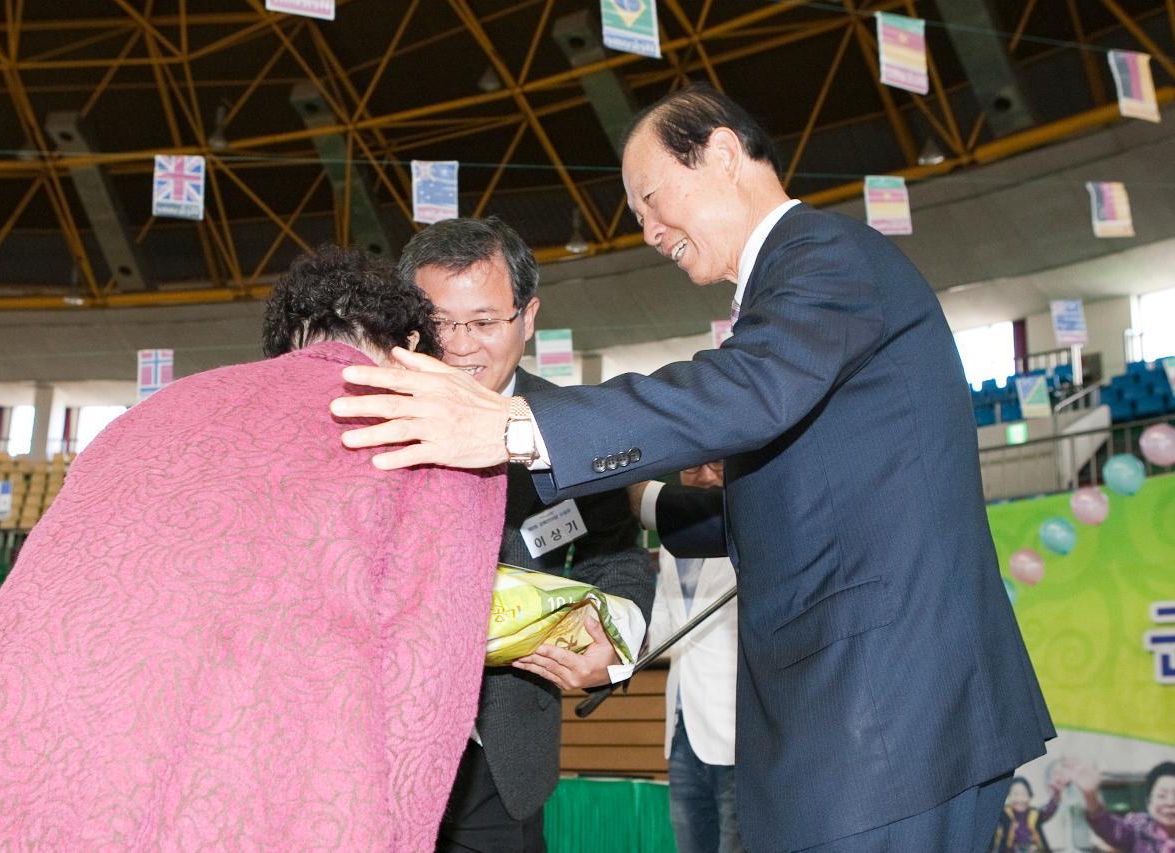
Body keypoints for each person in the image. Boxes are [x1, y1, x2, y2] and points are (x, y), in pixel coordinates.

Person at [331, 82, 1055, 852]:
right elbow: (787, 499)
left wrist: (514, 427)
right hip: (860, 716)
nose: (646, 231)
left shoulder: (824, 254)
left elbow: (746, 388)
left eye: (650, 199)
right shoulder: (791, 283)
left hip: (887, 710)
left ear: (718, 153)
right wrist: (642, 495)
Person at [0, 245, 506, 851]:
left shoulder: (144, 414)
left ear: (285, 339)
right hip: (265, 773)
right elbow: (424, 680)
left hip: (38, 752)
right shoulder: (430, 429)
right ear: (409, 343)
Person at [397, 216, 654, 853]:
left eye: (484, 323)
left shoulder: (575, 430)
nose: (459, 346)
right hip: (378, 753)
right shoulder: (365, 421)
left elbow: (619, 566)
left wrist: (611, 645)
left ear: (528, 316)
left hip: (503, 761)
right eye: (438, 324)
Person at [638, 462, 740, 853]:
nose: (705, 475)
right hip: (683, 733)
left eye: (717, 463)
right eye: (693, 466)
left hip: (737, 736)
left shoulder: (749, 529)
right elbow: (663, 623)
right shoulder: (671, 539)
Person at [1075, 759, 1175, 851]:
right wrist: (1090, 796)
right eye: (1162, 796)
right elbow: (1112, 829)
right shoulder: (1139, 832)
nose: (1171, 802)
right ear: (1149, 802)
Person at [990, 772, 1066, 852]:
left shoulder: (1034, 814)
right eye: (1015, 794)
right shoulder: (1003, 816)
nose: (1019, 799)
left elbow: (1047, 812)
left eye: (1023, 794)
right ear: (1009, 796)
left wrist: (1055, 796)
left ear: (1029, 796)